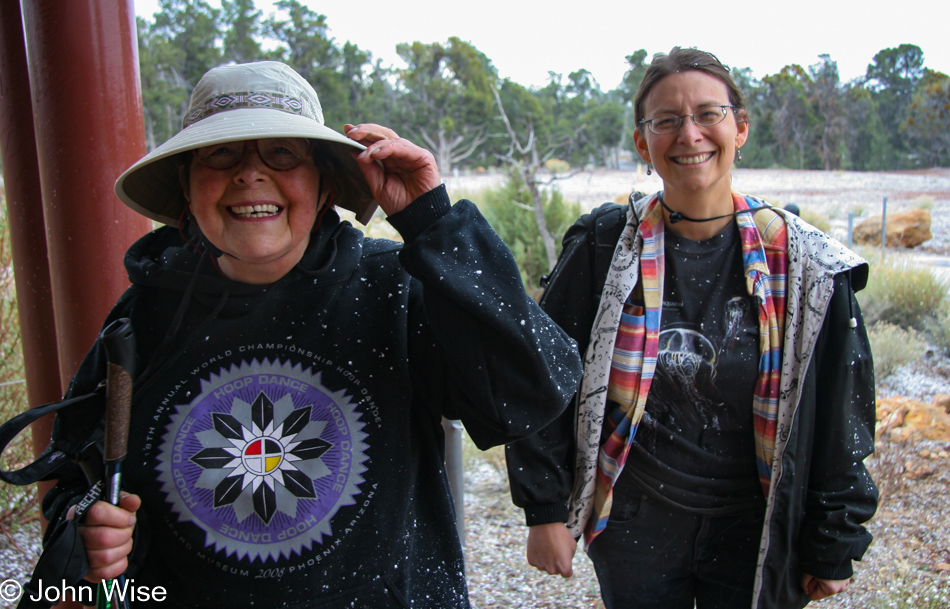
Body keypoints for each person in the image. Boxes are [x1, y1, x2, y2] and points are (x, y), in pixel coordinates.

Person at [36, 61, 583, 608]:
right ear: (186, 184)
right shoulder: (143, 316)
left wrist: (434, 223)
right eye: (221, 153)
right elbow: (73, 473)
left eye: (282, 153)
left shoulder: (394, 288)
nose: (250, 174)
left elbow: (531, 391)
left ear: (324, 186)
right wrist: (87, 528)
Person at [506, 47, 878, 609]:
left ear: (740, 127)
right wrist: (545, 510)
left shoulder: (805, 264)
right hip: (634, 525)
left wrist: (834, 539)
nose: (690, 134)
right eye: (667, 120)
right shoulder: (605, 247)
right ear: (642, 141)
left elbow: (844, 412)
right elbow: (540, 374)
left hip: (759, 528)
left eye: (709, 113)